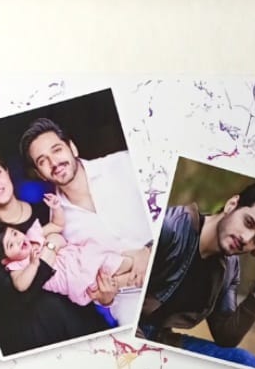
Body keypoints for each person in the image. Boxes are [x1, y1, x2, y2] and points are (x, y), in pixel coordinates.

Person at [0, 148, 109, 355]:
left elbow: (81, 260)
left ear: (7, 172)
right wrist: (50, 247)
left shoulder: (45, 209)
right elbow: (20, 297)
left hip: (85, 317)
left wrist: (105, 296)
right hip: (43, 335)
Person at [138, 180, 255, 369]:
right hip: (131, 329)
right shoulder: (171, 226)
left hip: (161, 338)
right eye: (248, 223)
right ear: (232, 205)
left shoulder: (230, 267)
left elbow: (226, 335)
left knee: (247, 362)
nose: (246, 238)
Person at [19, 118, 154, 329]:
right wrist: (105, 299)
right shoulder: (59, 228)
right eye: (43, 161)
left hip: (172, 266)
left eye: (57, 150)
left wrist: (150, 250)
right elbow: (88, 281)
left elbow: (175, 208)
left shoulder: (124, 164)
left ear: (72, 147)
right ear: (39, 174)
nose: (54, 163)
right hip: (133, 308)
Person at [0, 202, 135, 309]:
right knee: (107, 283)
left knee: (112, 260)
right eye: (10, 245)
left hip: (78, 258)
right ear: (6, 259)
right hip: (71, 279)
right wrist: (33, 264)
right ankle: (132, 280)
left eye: (14, 234)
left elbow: (57, 225)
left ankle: (133, 267)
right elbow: (21, 285)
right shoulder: (17, 266)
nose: (18, 240)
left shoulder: (32, 235)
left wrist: (56, 208)